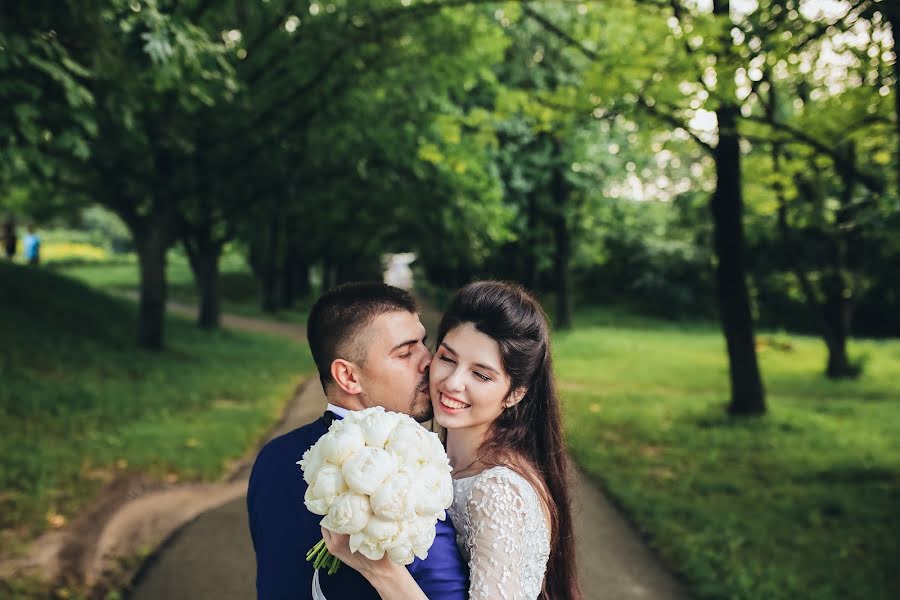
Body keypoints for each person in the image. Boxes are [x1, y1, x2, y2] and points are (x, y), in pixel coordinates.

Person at [324, 281, 582, 599]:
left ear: (515, 394)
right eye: (447, 358)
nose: (453, 382)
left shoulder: (498, 492)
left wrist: (382, 571)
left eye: (482, 375)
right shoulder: (434, 456)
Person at [247, 282, 468, 600]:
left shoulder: (272, 458)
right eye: (405, 353)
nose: (429, 362)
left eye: (424, 344)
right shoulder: (413, 474)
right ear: (348, 376)